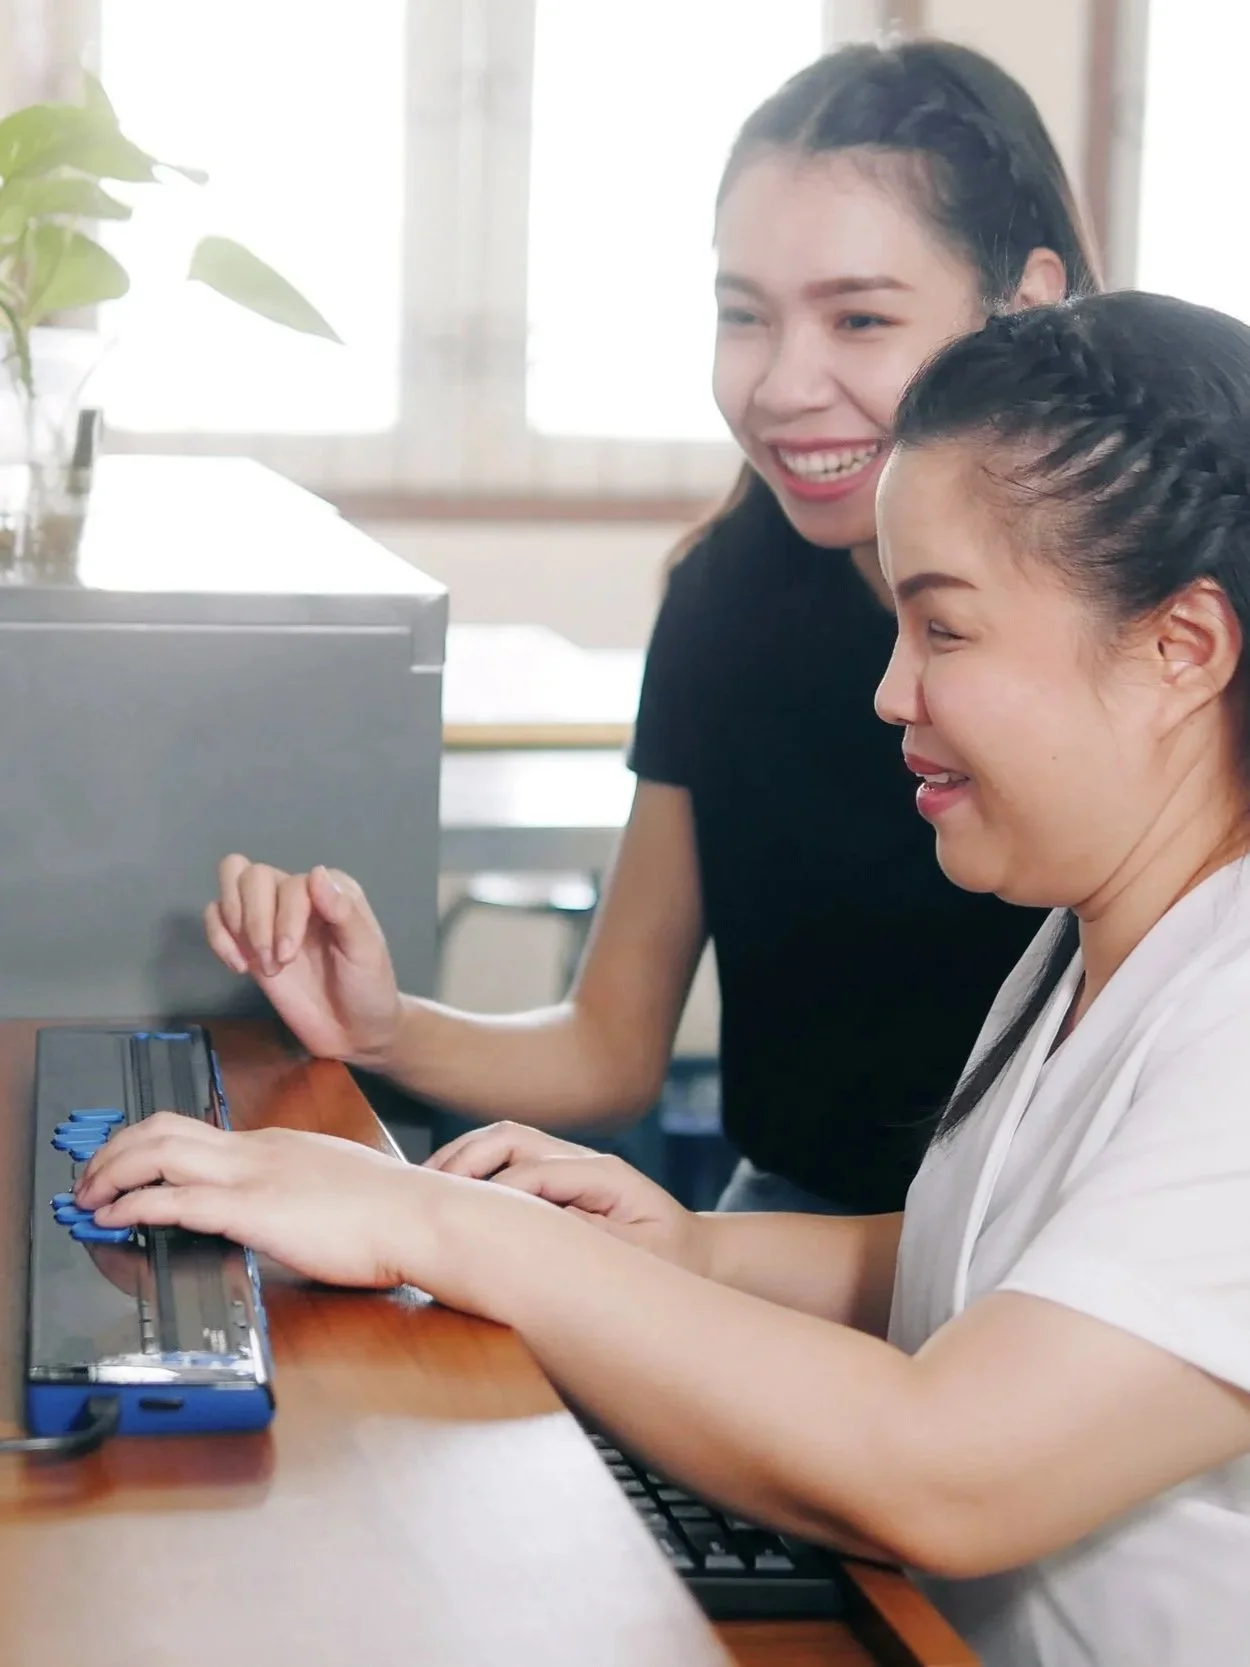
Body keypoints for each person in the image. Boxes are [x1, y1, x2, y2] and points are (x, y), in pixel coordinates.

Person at [82, 290, 1250, 1664]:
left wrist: (441, 1226)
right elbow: (1023, 1261)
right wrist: (691, 1249)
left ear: (1179, 649)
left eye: (943, 631)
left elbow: (947, 1465)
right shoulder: (1095, 924)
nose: (889, 691)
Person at [196, 39, 1100, 1216]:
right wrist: (377, 1022)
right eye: (744, 316)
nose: (782, 384)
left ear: (1021, 306)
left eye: (861, 319)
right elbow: (609, 1046)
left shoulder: (1137, 626)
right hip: (791, 1217)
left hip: (1056, 1262)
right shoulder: (728, 596)